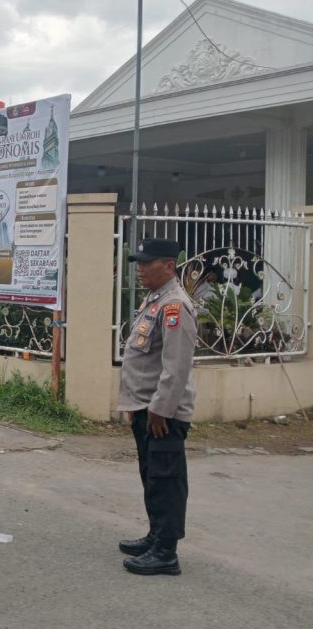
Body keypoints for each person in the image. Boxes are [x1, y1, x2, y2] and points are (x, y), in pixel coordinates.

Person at [118, 238, 198, 576]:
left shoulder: (175, 306)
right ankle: (155, 536)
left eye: (147, 263)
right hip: (146, 408)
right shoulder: (155, 300)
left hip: (162, 415)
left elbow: (176, 366)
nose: (140, 269)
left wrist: (159, 410)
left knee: (166, 480)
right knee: (152, 477)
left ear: (168, 265)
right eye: (138, 263)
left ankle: (166, 552)